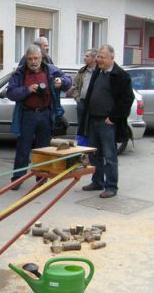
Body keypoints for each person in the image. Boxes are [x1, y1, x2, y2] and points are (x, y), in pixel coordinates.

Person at [8, 44, 72, 189]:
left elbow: (68, 82)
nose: (33, 62)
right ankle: (18, 179)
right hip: (27, 114)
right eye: (30, 59)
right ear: (26, 59)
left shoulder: (51, 70)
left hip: (45, 114)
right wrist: (27, 90)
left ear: (41, 58)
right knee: (23, 149)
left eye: (36, 58)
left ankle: (42, 178)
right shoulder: (20, 73)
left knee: (44, 148)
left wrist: (61, 82)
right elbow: (11, 92)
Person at [77, 45, 134, 199]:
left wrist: (114, 118)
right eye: (98, 57)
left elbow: (127, 99)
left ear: (111, 58)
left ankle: (111, 186)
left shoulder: (120, 76)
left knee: (109, 155)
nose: (99, 60)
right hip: (93, 119)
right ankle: (97, 181)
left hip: (107, 122)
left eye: (102, 57)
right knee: (95, 154)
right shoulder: (98, 72)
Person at [70, 49, 97, 125]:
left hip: (94, 104)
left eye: (87, 56)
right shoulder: (82, 71)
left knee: (91, 126)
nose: (84, 58)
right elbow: (74, 86)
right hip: (82, 103)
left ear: (94, 58)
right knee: (81, 126)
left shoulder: (99, 71)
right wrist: (77, 98)